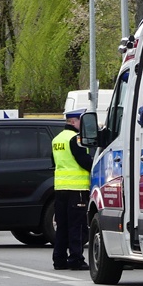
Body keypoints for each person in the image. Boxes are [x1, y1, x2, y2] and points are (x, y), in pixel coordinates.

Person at [51, 108, 93, 271]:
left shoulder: (57, 139)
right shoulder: (76, 139)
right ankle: (76, 258)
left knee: (62, 225)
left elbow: (55, 163)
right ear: (74, 122)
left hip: (60, 188)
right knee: (77, 225)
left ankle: (59, 259)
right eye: (81, 121)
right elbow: (84, 161)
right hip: (77, 188)